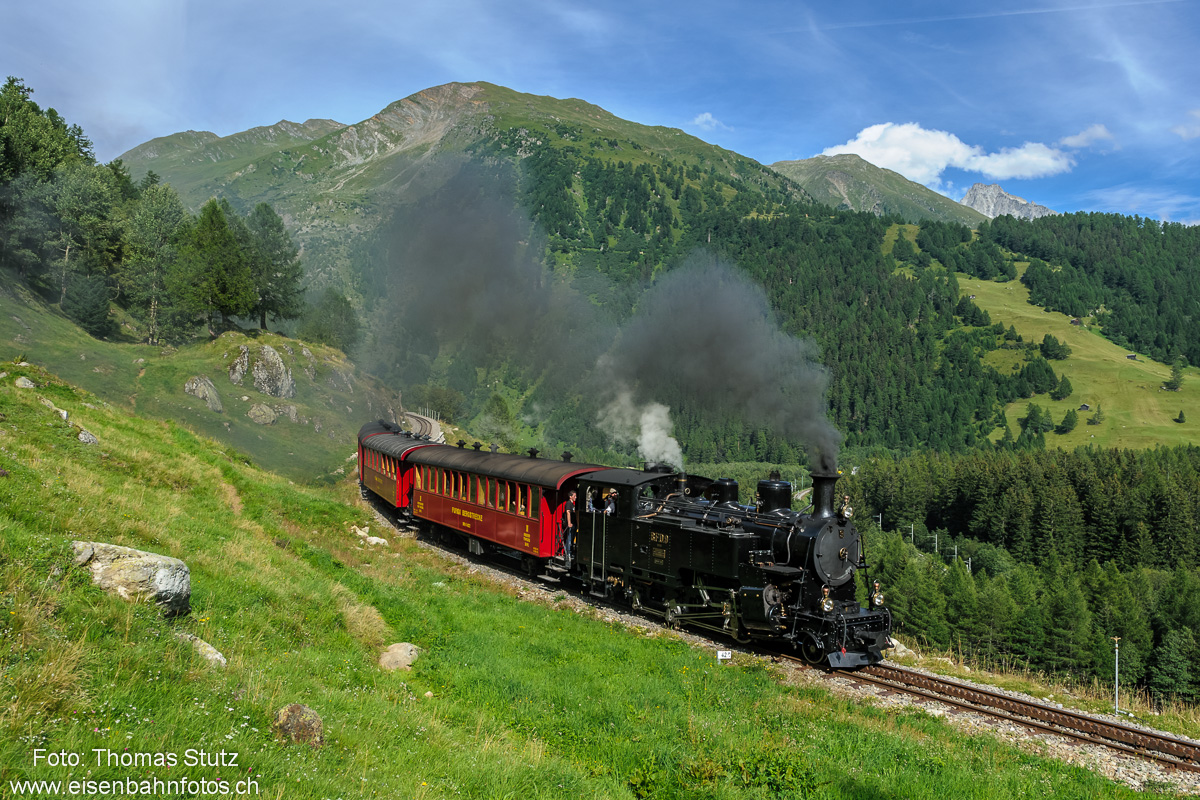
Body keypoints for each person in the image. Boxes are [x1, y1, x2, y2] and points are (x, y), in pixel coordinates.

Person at [562, 490, 577, 561]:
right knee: (569, 538)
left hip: (574, 523)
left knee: (572, 538)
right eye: (574, 496)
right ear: (570, 497)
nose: (576, 497)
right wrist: (569, 523)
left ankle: (570, 553)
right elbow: (568, 513)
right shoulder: (568, 504)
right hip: (571, 524)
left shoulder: (573, 504)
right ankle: (568, 554)